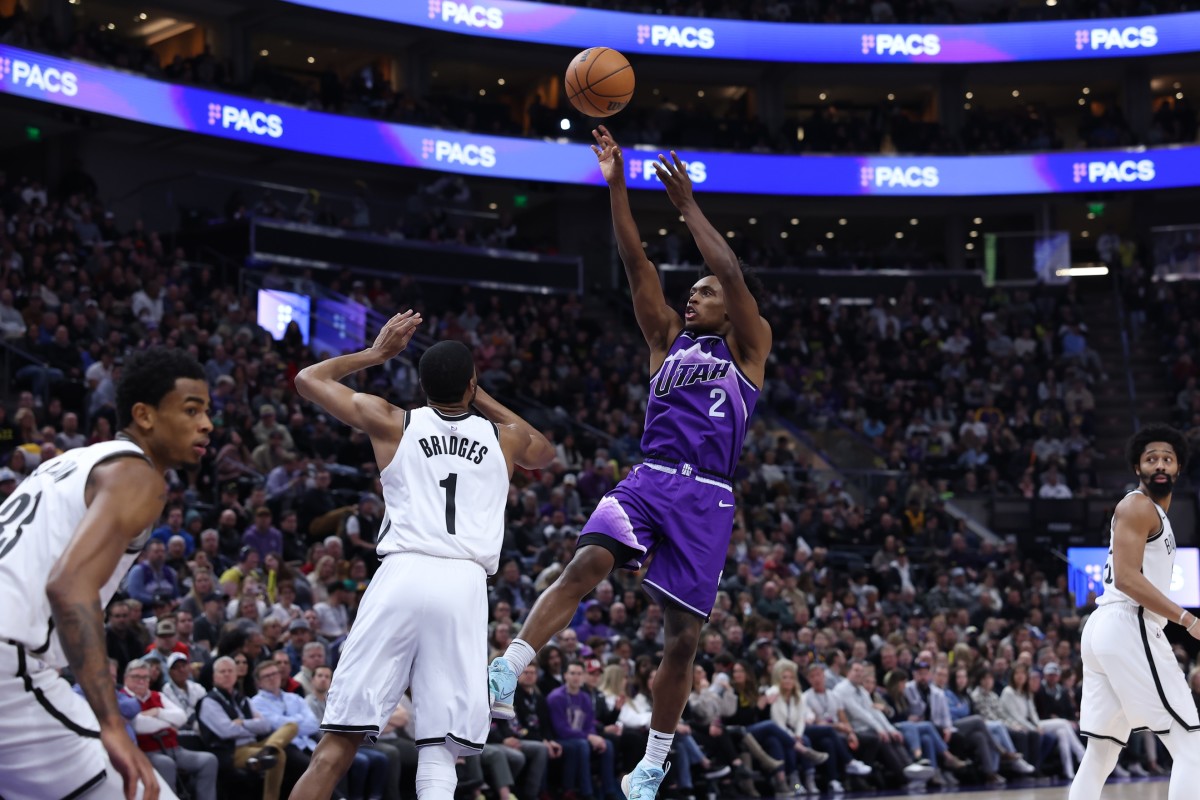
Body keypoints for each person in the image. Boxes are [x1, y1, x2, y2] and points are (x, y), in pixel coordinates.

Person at [490, 125, 773, 800]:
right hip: (650, 477)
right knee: (587, 562)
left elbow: (731, 274)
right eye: (694, 293)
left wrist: (688, 208)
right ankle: (511, 663)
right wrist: (616, 181)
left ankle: (654, 759)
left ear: (727, 312)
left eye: (702, 293)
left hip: (707, 498)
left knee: (681, 641)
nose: (693, 297)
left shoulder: (750, 351)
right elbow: (635, 263)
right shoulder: (665, 343)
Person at [289, 321, 555, 800]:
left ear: (420, 386)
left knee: (340, 738)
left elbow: (308, 379)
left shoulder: (394, 420)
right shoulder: (505, 440)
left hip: (402, 574)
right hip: (463, 583)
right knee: (440, 748)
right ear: (471, 385)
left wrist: (375, 354)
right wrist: (481, 397)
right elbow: (545, 451)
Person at [0, 347, 211, 800]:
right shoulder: (138, 475)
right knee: (144, 791)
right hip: (9, 663)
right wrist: (111, 723)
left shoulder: (66, 464)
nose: (207, 424)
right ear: (145, 416)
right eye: (192, 410)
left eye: (208, 411)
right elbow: (69, 584)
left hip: (20, 661)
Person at [1070, 424, 1200, 800]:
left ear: (1178, 469)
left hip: (1107, 629)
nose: (1159, 464)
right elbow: (1127, 579)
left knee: (1100, 754)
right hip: (1127, 623)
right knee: (1191, 744)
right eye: (1150, 458)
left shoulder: (1155, 513)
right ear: (1137, 468)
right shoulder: (1137, 505)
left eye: (1167, 459)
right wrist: (1188, 619)